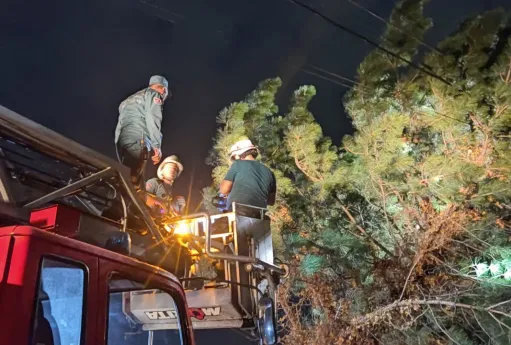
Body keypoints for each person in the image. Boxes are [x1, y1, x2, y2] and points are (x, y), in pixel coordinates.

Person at [114, 75, 171, 192]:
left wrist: (118, 145)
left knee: (125, 177)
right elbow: (153, 118)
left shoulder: (127, 101)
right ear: (163, 89)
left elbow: (119, 126)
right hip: (139, 139)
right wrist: (157, 146)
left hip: (122, 142)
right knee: (132, 184)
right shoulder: (154, 95)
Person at [218, 139, 276, 213]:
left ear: (239, 154)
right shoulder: (270, 173)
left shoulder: (238, 164)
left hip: (238, 212)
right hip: (259, 215)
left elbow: (224, 190)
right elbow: (271, 201)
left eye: (235, 156)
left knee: (216, 223)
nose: (235, 159)